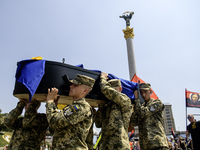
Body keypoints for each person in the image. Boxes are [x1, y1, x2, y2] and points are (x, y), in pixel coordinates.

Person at [46, 74, 95, 149]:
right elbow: (54, 129)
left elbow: (54, 122)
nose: (71, 86)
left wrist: (50, 102)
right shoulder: (72, 107)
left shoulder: (80, 107)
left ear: (85, 91)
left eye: (75, 85)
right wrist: (54, 105)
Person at [94, 72, 132, 150]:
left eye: (113, 89)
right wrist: (100, 107)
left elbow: (106, 90)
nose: (109, 94)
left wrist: (103, 78)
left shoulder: (125, 100)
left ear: (120, 89)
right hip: (105, 146)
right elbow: (98, 124)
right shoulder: (107, 106)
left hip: (119, 145)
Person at [130, 83, 169, 150]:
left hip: (157, 144)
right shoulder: (139, 107)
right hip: (145, 146)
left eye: (145, 91)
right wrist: (135, 107)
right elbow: (133, 122)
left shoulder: (157, 103)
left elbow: (144, 113)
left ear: (150, 91)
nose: (143, 95)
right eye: (141, 92)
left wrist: (136, 100)